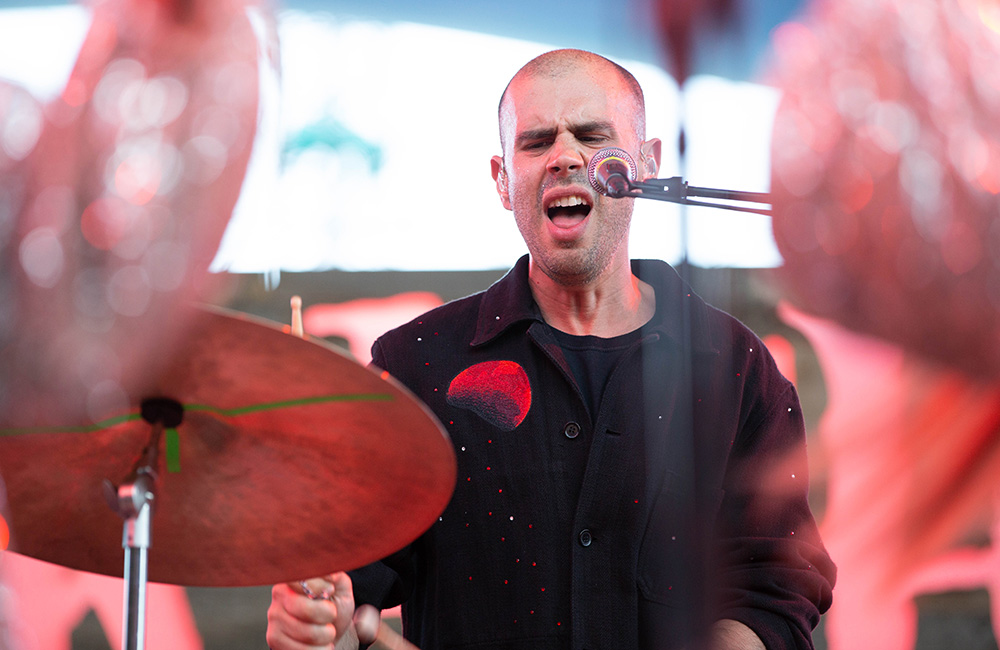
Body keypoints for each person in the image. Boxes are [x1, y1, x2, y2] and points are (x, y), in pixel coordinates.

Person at [266, 49, 835, 650]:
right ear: (502, 181)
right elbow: (347, 583)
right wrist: (316, 622)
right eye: (536, 142)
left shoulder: (738, 371)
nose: (565, 157)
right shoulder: (417, 365)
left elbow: (777, 587)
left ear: (647, 163)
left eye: (592, 136)